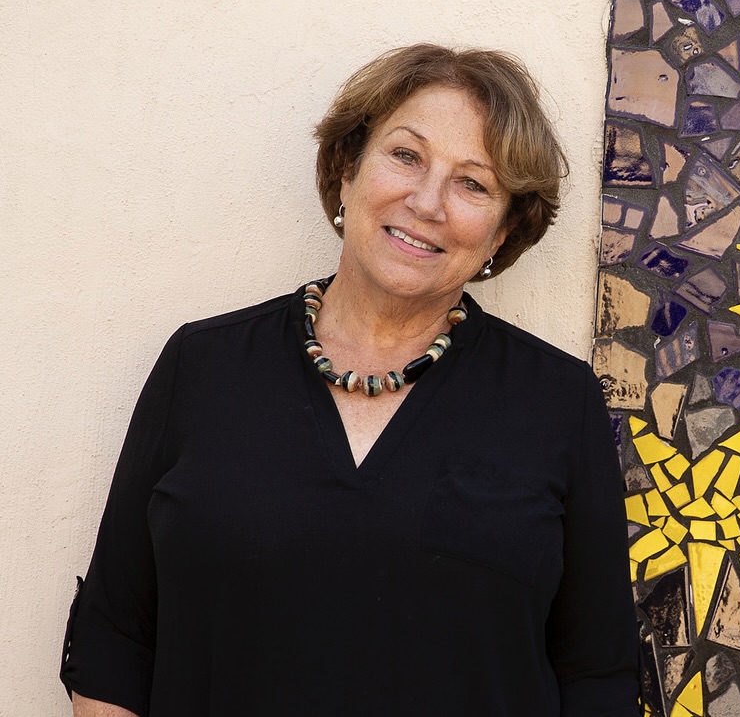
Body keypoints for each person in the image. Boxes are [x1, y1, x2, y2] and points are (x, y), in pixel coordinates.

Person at [61, 43, 640, 716]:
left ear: (503, 234)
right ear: (346, 171)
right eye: (406, 156)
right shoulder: (203, 366)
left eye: (473, 183)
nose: (427, 202)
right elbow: (113, 636)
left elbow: (598, 673)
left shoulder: (556, 401)